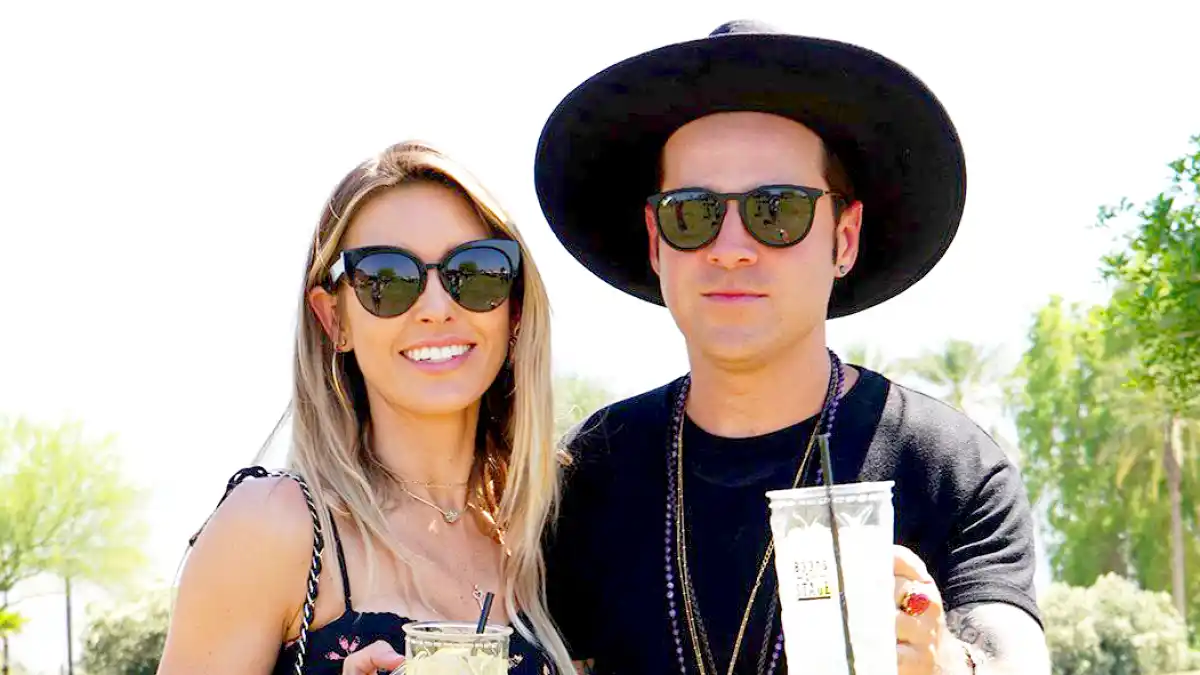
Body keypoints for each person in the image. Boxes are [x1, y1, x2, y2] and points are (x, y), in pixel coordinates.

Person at [534, 20, 1050, 675]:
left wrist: (944, 661)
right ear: (657, 239)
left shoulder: (949, 465)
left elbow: (1015, 658)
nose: (731, 246)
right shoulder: (590, 471)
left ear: (844, 237)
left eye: (776, 209)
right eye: (691, 213)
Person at [158, 141, 573, 675]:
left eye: (475, 271)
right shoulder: (273, 527)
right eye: (387, 279)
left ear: (514, 309)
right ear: (335, 320)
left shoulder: (553, 529)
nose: (435, 308)